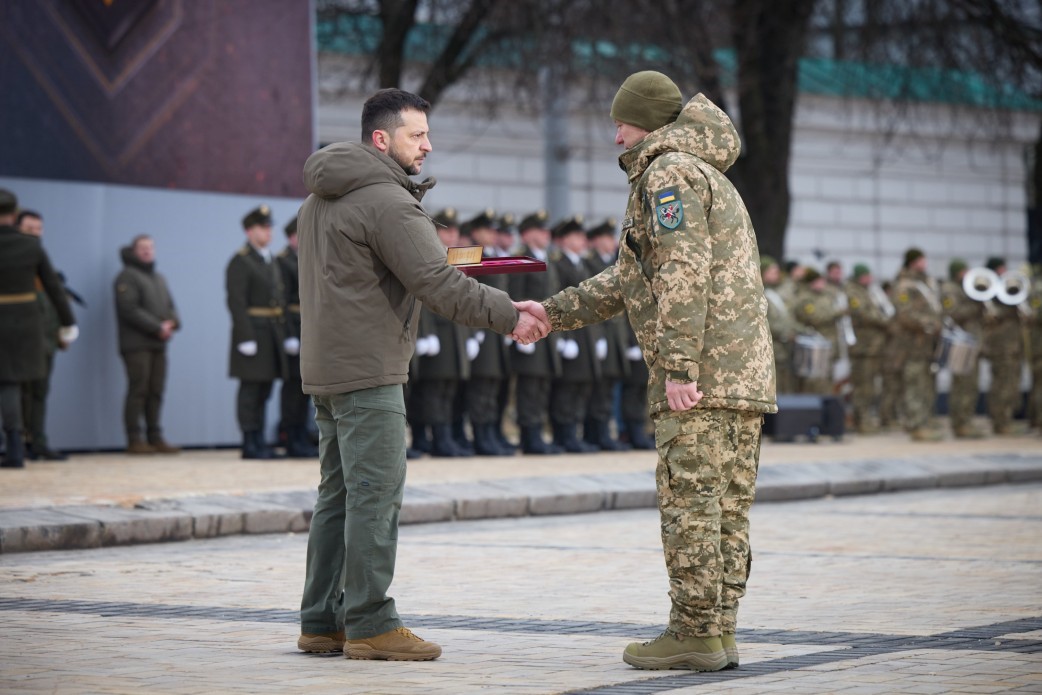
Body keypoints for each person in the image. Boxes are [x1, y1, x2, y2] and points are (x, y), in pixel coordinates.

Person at [520, 72, 776, 672]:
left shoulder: (668, 174)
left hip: (702, 376)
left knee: (690, 504)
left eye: (622, 122)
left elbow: (681, 274)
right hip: (741, 376)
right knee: (726, 509)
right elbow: (633, 278)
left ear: (648, 121)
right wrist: (552, 313)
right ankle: (719, 630)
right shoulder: (705, 173)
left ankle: (693, 633)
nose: (616, 136)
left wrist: (680, 367)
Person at [294, 88, 546, 661]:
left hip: (329, 370)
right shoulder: (386, 200)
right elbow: (435, 280)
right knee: (375, 497)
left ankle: (322, 618)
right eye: (417, 135)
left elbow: (423, 260)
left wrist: (494, 260)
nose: (428, 146)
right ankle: (370, 623)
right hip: (370, 371)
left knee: (338, 496)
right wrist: (511, 315)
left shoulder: (320, 199)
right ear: (381, 139)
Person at [0, 189, 78, 469]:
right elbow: (55, 290)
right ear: (13, 214)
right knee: (11, 385)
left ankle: (19, 446)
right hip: (25, 324)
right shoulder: (31, 247)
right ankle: (16, 447)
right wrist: (69, 324)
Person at [226, 205, 288, 459]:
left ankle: (260, 439)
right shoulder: (241, 261)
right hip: (253, 333)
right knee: (250, 390)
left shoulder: (269, 259)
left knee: (265, 390)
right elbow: (236, 302)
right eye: (263, 228)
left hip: (271, 333)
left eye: (269, 227)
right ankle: (249, 441)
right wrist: (245, 337)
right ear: (249, 231)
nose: (268, 232)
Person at [114, 235, 181, 454]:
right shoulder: (127, 277)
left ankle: (155, 436)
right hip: (136, 344)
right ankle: (134, 439)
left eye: (150, 247)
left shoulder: (158, 278)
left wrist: (173, 323)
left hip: (158, 344)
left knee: (156, 390)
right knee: (139, 389)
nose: (147, 251)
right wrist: (157, 327)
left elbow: (169, 306)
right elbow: (129, 309)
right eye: (142, 248)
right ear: (133, 251)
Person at [507, 210, 564, 454]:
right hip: (527, 333)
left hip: (546, 334)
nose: (546, 234)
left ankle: (537, 434)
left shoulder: (547, 258)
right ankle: (529, 437)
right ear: (528, 234)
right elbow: (516, 297)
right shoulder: (522, 259)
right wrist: (514, 332)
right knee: (529, 388)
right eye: (540, 230)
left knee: (541, 386)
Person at [17, 210, 69, 461]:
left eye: (38, 229)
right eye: (29, 229)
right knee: (19, 395)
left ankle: (37, 441)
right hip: (21, 343)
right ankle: (18, 443)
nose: (35, 234)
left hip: (46, 342)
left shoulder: (42, 263)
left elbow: (55, 302)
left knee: (39, 394)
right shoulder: (11, 264)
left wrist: (63, 331)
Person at [462, 208, 515, 456]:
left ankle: (492, 432)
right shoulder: (468, 254)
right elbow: (463, 296)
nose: (492, 234)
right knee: (481, 386)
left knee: (494, 386)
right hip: (480, 330)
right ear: (475, 232)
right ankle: (481, 435)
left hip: (496, 331)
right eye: (487, 230)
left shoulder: (496, 254)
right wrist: (472, 333)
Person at [548, 215, 600, 453]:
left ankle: (574, 433)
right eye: (575, 236)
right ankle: (563, 434)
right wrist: (563, 339)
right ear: (564, 239)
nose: (580, 240)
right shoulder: (559, 264)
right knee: (567, 388)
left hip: (585, 335)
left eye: (581, 236)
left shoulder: (582, 264)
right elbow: (556, 300)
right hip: (569, 334)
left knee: (582, 386)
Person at [584, 217, 630, 451]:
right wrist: (597, 336)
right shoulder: (588, 263)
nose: (611, 242)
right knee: (595, 387)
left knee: (608, 387)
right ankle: (594, 433)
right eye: (605, 238)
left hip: (615, 335)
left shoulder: (615, 262)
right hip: (597, 333)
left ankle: (603, 432)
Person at [276, 217, 318, 458]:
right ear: (292, 235)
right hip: (294, 328)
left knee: (305, 388)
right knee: (292, 386)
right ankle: (291, 436)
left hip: (309, 327)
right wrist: (289, 335)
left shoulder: (308, 258)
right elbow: (281, 301)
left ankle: (301, 434)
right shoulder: (283, 262)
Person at [893, 248, 944, 441]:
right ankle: (916, 425)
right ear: (913, 262)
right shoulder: (905, 285)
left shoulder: (926, 282)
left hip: (927, 344)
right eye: (921, 260)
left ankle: (925, 420)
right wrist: (931, 324)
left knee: (926, 384)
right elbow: (904, 315)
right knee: (914, 384)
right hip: (912, 344)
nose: (925, 263)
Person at [940, 259, 988, 438]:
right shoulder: (950, 289)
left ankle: (966, 421)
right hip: (961, 343)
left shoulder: (968, 288)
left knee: (971, 385)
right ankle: (960, 423)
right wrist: (974, 305)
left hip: (973, 342)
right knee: (962, 385)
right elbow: (952, 313)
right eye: (963, 271)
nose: (966, 274)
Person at [845, 263, 891, 433]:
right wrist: (885, 321)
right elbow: (863, 314)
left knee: (871, 386)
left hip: (873, 347)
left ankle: (866, 419)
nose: (869, 279)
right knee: (862, 386)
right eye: (865, 276)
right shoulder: (853, 292)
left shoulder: (870, 291)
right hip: (862, 348)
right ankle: (862, 420)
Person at [981, 257, 1026, 434]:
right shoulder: (989, 291)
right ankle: (1001, 422)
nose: (1004, 272)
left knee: (1010, 384)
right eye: (1000, 269)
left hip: (1013, 346)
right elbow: (990, 317)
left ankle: (1005, 419)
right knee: (1002, 385)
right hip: (1000, 347)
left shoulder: (1009, 288)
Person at [760, 256, 805, 394]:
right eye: (772, 272)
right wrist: (786, 334)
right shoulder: (759, 294)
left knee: (786, 387)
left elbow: (786, 319)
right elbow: (766, 322)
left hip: (783, 350)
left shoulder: (775, 292)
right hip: (771, 349)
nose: (777, 275)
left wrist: (802, 331)